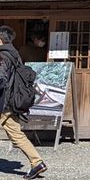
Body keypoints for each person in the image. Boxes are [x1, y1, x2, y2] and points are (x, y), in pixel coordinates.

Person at [0, 25, 47, 179]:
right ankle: (37, 162)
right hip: (11, 101)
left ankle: (36, 161)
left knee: (16, 135)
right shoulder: (14, 54)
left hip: (3, 103)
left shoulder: (3, 56)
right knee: (16, 134)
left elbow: (1, 79)